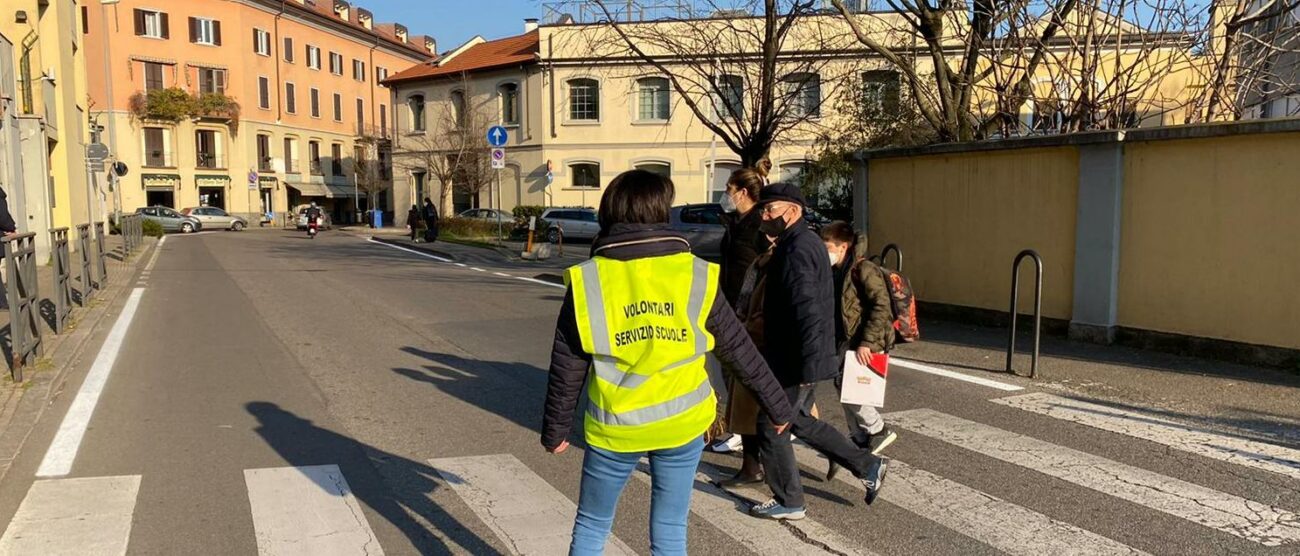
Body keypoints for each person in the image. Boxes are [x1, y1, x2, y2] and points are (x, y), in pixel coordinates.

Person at [542, 170, 794, 555]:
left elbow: (568, 362)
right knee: (670, 526)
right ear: (662, 213)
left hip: (616, 428)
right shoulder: (693, 273)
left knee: (593, 524)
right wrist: (777, 406)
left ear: (609, 212)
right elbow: (738, 349)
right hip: (683, 423)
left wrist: (556, 430)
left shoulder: (589, 280)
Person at [750, 182, 887, 521]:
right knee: (796, 421)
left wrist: (809, 369)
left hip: (795, 360)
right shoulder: (798, 243)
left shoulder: (797, 249)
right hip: (795, 357)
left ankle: (790, 500)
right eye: (762, 210)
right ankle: (868, 465)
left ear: (792, 211)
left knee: (771, 425)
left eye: (770, 210)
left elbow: (808, 309)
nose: (764, 216)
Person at [821, 221, 899, 482]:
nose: (825, 251)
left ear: (844, 246)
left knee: (850, 388)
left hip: (863, 341)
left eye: (828, 246)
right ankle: (859, 439)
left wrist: (867, 342)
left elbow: (881, 306)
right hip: (845, 340)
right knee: (843, 388)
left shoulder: (863, 268)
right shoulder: (836, 269)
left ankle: (877, 429)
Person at [709, 167, 771, 487]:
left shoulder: (759, 226)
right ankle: (751, 460)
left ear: (742, 192)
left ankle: (845, 453)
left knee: (751, 390)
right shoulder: (736, 224)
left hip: (749, 317)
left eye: (729, 188)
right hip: (732, 313)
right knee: (739, 386)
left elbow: (766, 269)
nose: (726, 194)